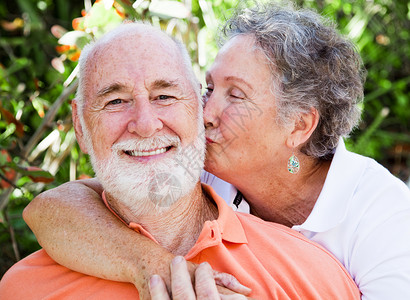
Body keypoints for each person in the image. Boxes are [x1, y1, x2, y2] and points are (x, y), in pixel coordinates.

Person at [21, 0, 410, 299]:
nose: (205, 112)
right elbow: (56, 208)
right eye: (208, 89)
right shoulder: (198, 169)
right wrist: (163, 269)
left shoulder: (381, 214)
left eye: (236, 95)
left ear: (298, 126)